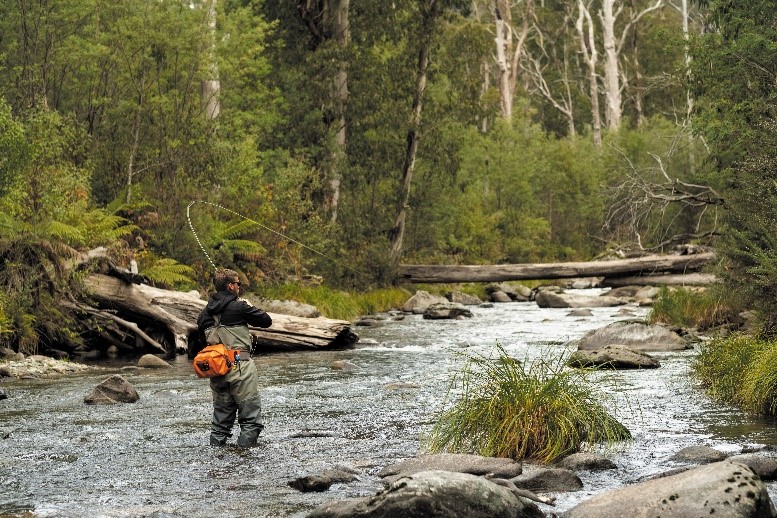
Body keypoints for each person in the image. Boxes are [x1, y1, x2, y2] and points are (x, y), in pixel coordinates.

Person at [197, 268, 272, 447]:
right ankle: (243, 459)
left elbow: (202, 342)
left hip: (217, 371)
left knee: (220, 425)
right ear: (230, 286)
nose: (239, 286)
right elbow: (266, 320)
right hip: (241, 367)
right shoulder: (239, 307)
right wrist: (247, 305)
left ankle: (217, 458)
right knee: (251, 422)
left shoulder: (203, 315)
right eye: (238, 283)